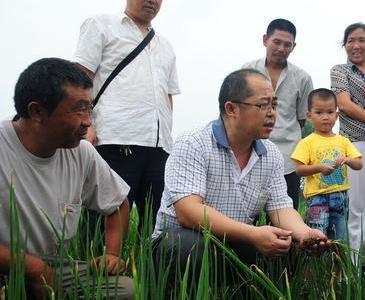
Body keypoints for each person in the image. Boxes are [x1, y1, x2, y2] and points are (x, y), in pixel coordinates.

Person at [152, 69, 329, 280]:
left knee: (291, 248)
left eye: (274, 105)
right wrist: (253, 234)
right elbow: (188, 212)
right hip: (186, 240)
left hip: (238, 242)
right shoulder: (193, 143)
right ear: (231, 109)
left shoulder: (270, 153)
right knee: (186, 247)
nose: (272, 113)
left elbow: (281, 208)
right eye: (263, 105)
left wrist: (305, 234)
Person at [0, 58, 133, 298]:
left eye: (90, 109)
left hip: (52, 267)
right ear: (37, 111)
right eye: (79, 109)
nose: (88, 122)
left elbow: (117, 205)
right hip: (6, 265)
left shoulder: (81, 152)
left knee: (125, 290)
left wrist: (111, 255)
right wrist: (32, 268)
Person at [74, 0, 180, 230]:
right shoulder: (101, 25)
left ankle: (145, 268)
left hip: (158, 147)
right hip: (113, 140)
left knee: (156, 226)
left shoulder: (165, 45)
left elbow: (167, 96)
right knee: (102, 225)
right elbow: (80, 79)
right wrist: (86, 125)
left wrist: (167, 137)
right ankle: (95, 267)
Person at [242, 18, 313, 208]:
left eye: (287, 44)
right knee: (249, 211)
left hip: (288, 155)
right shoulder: (247, 71)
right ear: (265, 40)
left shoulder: (303, 78)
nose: (281, 48)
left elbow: (301, 119)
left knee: (286, 209)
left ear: (293, 46)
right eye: (277, 42)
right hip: (251, 150)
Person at [330, 23, 365, 251]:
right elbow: (344, 104)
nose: (356, 45)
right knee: (357, 206)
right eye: (351, 40)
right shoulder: (340, 71)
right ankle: (356, 268)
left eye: (362, 40)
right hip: (355, 143)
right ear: (344, 44)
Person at [291, 88, 362, 240]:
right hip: (317, 198)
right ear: (309, 116)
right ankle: (319, 264)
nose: (325, 117)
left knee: (340, 238)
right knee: (318, 237)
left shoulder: (343, 141)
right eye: (319, 112)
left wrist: (347, 160)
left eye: (330, 112)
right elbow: (299, 169)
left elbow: (359, 163)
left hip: (340, 196)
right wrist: (319, 168)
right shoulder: (306, 142)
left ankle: (339, 264)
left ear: (336, 115)